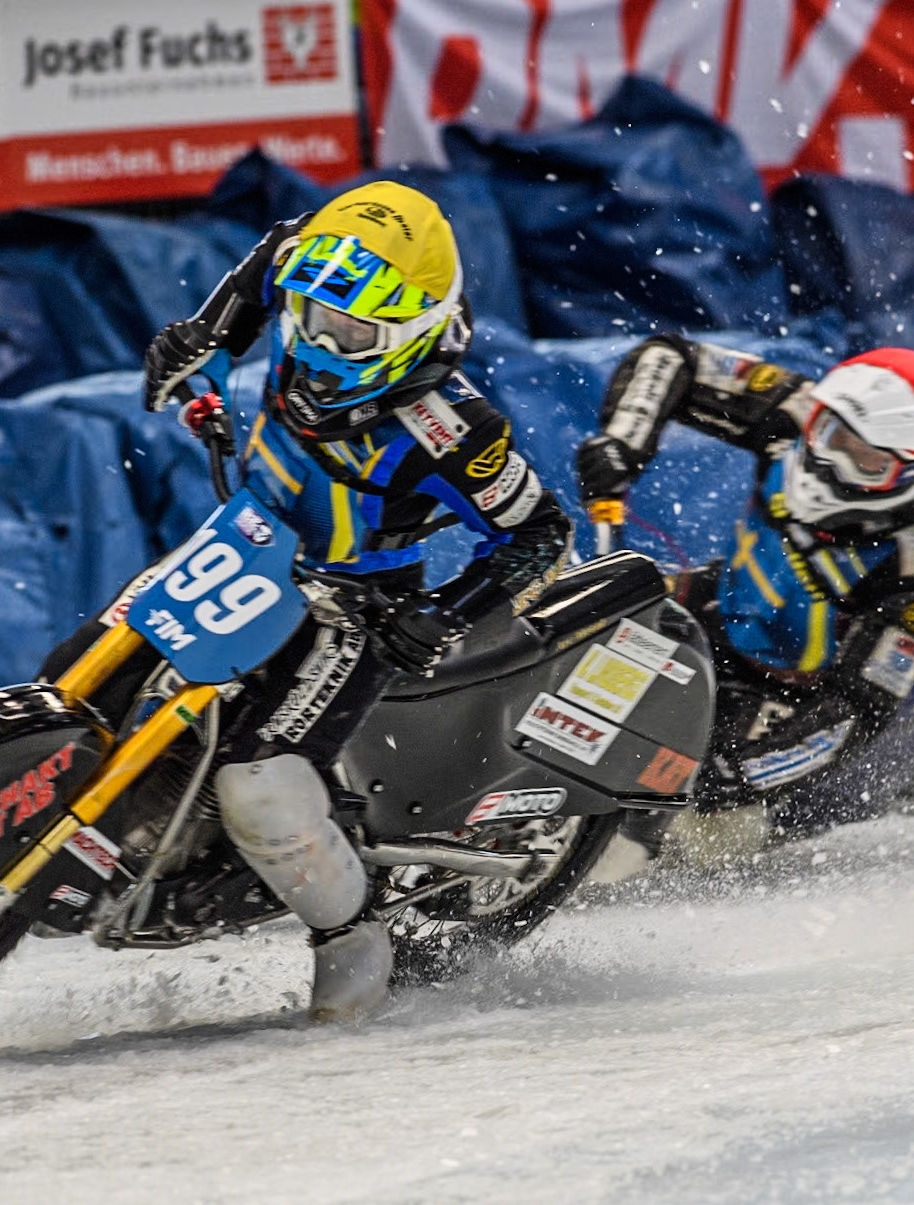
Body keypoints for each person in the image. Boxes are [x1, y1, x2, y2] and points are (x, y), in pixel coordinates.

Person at [38, 182, 571, 1021]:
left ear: (405, 334)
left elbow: (539, 533)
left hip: (355, 606)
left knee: (260, 788)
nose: (319, 345)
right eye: (312, 318)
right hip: (243, 542)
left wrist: (439, 615)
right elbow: (272, 256)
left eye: (349, 333)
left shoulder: (453, 430)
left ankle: (350, 935)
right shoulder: (311, 272)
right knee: (73, 670)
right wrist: (202, 342)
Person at [575, 338, 914, 879]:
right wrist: (623, 442)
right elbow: (672, 358)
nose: (830, 460)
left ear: (912, 472)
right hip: (718, 603)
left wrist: (728, 775)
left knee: (700, 825)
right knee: (573, 611)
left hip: (782, 689)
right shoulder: (795, 411)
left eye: (866, 459)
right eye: (832, 433)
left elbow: (858, 707)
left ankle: (612, 867)